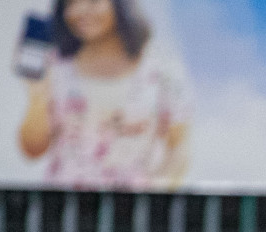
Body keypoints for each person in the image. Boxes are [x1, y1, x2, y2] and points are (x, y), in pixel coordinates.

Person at [17, 0, 190, 190]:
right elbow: (32, 150)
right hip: (66, 208)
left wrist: (155, 197)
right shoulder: (56, 66)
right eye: (71, 3)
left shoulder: (161, 67)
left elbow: (179, 149)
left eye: (93, 2)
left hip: (131, 207)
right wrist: (37, 97)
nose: (81, 10)